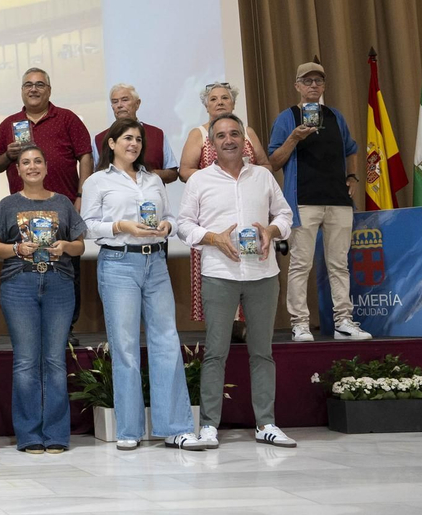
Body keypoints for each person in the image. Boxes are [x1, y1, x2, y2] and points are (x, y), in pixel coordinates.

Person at [80, 117, 209, 451]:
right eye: (126, 138)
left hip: (156, 262)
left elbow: (170, 217)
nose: (133, 144)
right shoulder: (97, 181)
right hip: (118, 262)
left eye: (138, 139)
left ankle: (176, 428)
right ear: (111, 143)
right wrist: (122, 226)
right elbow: (89, 224)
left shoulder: (153, 179)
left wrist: (166, 227)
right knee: (124, 346)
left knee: (167, 341)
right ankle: (129, 429)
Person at [179, 113, 298, 449]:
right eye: (221, 135)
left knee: (262, 352)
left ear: (244, 140)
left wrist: (272, 230)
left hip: (263, 274)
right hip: (219, 275)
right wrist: (213, 238)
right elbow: (184, 225)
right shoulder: (199, 181)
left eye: (234, 134)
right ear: (212, 143)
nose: (228, 140)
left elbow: (286, 215)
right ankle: (208, 427)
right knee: (216, 352)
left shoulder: (262, 176)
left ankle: (266, 424)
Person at [0, 145, 87, 454]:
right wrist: (18, 250)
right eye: (25, 163)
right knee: (26, 361)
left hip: (59, 283)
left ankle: (57, 433)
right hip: (19, 284)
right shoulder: (7, 205)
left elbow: (80, 247)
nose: (32, 166)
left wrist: (64, 247)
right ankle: (29, 434)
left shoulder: (62, 203)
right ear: (16, 170)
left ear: (46, 167)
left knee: (55, 360)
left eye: (38, 161)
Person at [268, 61, 370, 342]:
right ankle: (299, 323)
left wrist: (352, 176)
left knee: (339, 263)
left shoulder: (336, 116)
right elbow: (273, 161)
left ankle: (344, 322)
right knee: (301, 264)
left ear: (324, 86)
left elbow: (352, 148)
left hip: (338, 200)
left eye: (318, 81)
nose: (313, 85)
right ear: (297, 86)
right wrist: (294, 137)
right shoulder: (287, 118)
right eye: (307, 80)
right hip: (303, 202)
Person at [178, 82, 274, 325]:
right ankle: (223, 327)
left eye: (225, 98)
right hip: (215, 217)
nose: (219, 102)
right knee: (219, 277)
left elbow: (266, 165)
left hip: (249, 215)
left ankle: (246, 326)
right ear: (206, 105)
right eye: (213, 99)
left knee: (252, 274)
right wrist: (217, 182)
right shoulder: (197, 134)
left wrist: (244, 177)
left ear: (233, 103)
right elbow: (185, 170)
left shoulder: (247, 132)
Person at [0, 68, 92, 202]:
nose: (33, 89)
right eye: (28, 85)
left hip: (66, 204)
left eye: (39, 85)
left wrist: (81, 196)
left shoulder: (68, 118)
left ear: (49, 91)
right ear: (22, 91)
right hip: (22, 208)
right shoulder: (7, 124)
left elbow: (86, 156)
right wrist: (8, 155)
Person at [96, 84, 178, 183]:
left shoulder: (157, 135)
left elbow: (173, 174)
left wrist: (145, 175)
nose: (119, 105)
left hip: (151, 195)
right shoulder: (99, 139)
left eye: (125, 100)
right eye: (115, 102)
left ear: (137, 104)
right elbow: (95, 177)